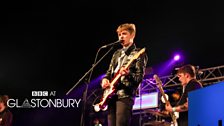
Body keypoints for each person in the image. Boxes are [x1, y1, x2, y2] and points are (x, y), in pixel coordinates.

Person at [100, 23, 148, 126]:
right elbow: (109, 72)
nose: (121, 36)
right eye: (119, 34)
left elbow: (139, 78)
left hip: (125, 94)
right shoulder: (116, 54)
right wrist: (105, 80)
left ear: (132, 35)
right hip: (111, 95)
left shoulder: (138, 53)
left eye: (124, 34)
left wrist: (128, 73)